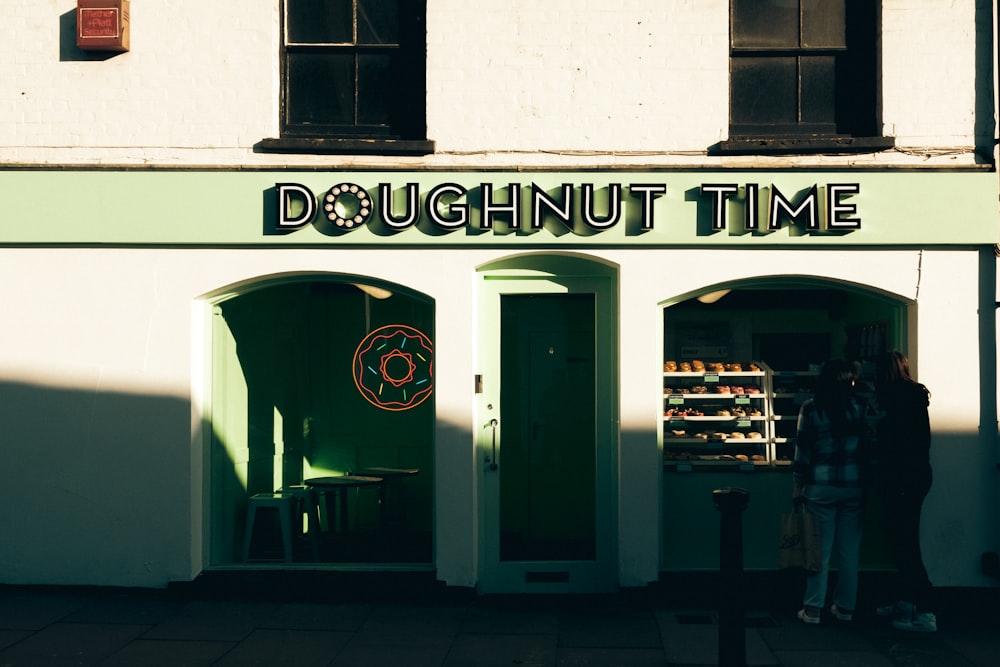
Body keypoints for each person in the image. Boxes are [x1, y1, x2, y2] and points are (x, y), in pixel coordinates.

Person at [792, 359, 868, 625]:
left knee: (819, 552)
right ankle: (845, 608)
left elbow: (803, 451)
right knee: (849, 552)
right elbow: (866, 447)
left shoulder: (811, 408)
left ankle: (813, 609)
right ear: (850, 382)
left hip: (820, 487)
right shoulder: (860, 407)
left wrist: (797, 484)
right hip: (853, 486)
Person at [873, 350, 937, 632]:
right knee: (903, 543)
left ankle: (924, 610)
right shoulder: (913, 397)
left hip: (902, 481)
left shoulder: (897, 401)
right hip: (915, 478)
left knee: (905, 545)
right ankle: (906, 602)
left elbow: (896, 445)